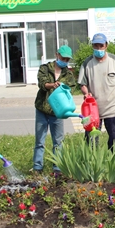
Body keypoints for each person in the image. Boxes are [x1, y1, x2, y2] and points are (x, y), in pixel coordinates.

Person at [78, 33, 115, 153]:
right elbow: (82, 84)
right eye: (95, 46)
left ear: (106, 45)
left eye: (101, 46)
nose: (98, 49)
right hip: (93, 110)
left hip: (113, 108)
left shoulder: (114, 60)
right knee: (91, 140)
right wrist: (86, 93)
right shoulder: (87, 63)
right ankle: (92, 165)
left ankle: (113, 165)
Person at [32, 46, 77, 174]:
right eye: (63, 58)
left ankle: (57, 168)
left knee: (58, 141)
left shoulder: (68, 74)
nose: (65, 61)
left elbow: (71, 89)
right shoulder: (45, 68)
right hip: (42, 109)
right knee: (40, 140)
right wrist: (53, 85)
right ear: (57, 55)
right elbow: (42, 83)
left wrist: (66, 90)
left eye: (67, 59)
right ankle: (37, 167)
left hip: (57, 112)